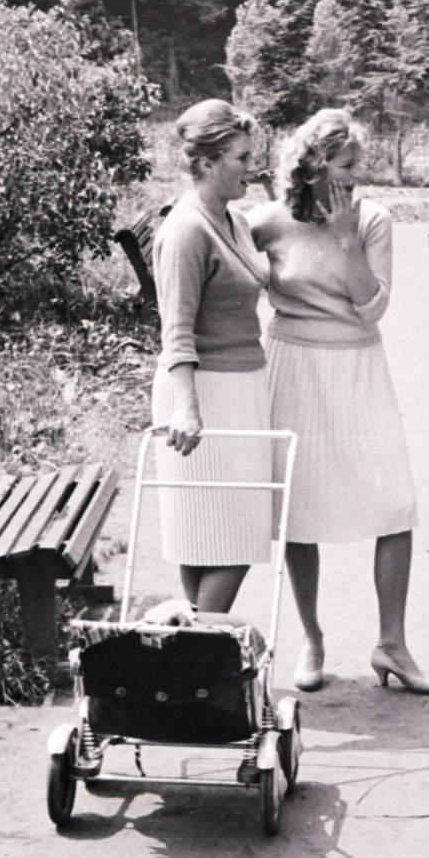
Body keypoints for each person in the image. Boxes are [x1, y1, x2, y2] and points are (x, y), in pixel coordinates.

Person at [249, 109, 429, 696]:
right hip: (292, 365)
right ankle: (312, 637)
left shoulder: (373, 219)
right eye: (348, 165)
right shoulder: (266, 223)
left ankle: (393, 644)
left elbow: (372, 306)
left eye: (359, 165)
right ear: (312, 167)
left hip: (358, 365)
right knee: (297, 510)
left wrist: (344, 239)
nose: (359, 177)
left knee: (394, 504)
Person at [152, 99, 272, 614]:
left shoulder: (232, 218)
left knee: (215, 531)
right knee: (231, 533)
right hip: (205, 393)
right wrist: (187, 406)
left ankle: (191, 659)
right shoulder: (186, 229)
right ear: (206, 164)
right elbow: (175, 329)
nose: (253, 167)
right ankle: (202, 645)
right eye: (243, 158)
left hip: (240, 387)